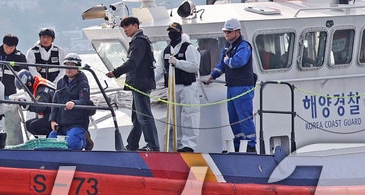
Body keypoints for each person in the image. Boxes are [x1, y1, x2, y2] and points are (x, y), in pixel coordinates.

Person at [203, 17, 257, 152]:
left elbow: (238, 61)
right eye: (225, 32)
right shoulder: (228, 46)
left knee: (244, 116)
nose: (226, 34)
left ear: (237, 32)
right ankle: (238, 143)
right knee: (233, 117)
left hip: (243, 86)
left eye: (229, 32)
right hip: (232, 86)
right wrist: (212, 76)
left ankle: (251, 145)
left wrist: (228, 61)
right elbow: (222, 64)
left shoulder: (244, 46)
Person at [107, 16, 159, 151]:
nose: (125, 29)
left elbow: (133, 62)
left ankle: (153, 146)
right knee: (137, 116)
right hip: (139, 83)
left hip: (141, 83)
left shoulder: (139, 42)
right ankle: (132, 144)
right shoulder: (140, 41)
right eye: (124, 27)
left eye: (127, 26)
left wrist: (116, 72)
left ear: (136, 26)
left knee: (145, 116)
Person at [158, 21, 200, 152]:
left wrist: (177, 62)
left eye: (174, 32)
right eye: (170, 32)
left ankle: (189, 145)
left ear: (180, 33)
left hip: (187, 86)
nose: (172, 34)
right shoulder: (165, 51)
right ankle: (177, 144)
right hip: (172, 87)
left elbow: (194, 66)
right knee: (174, 117)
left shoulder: (189, 48)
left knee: (190, 114)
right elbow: (160, 69)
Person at [0, 34, 29, 147]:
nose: (9, 50)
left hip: (10, 94)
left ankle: (14, 144)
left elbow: (24, 76)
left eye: (12, 47)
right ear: (3, 44)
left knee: (11, 121)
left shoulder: (20, 57)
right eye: (7, 47)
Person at [47, 53, 94, 150]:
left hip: (77, 123)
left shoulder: (83, 84)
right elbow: (55, 103)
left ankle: (85, 140)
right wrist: (52, 120)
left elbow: (84, 100)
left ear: (78, 68)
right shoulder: (60, 83)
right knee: (49, 144)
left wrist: (74, 103)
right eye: (66, 65)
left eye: (72, 66)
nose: (69, 69)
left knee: (71, 144)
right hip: (61, 124)